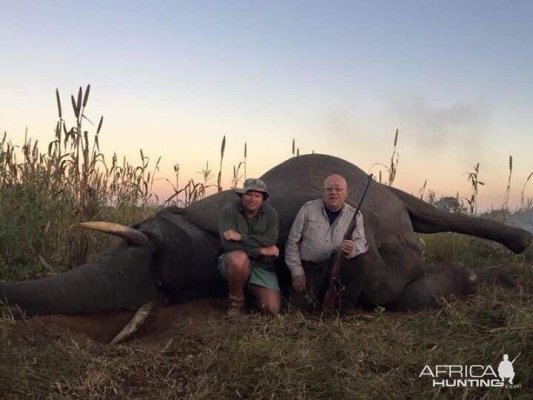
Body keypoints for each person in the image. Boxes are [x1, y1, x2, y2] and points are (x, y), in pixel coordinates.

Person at [285, 174, 368, 310]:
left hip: (338, 267)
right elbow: (291, 243)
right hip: (311, 268)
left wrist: (354, 247)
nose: (333, 193)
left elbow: (362, 243)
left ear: (346, 193)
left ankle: (345, 308)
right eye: (329, 189)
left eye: (338, 189)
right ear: (323, 192)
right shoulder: (307, 209)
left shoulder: (355, 215)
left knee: (362, 260)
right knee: (299, 307)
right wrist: (297, 272)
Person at [218, 178, 281, 317]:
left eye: (257, 196)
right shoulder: (229, 210)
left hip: (261, 265)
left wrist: (241, 237)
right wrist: (261, 250)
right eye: (249, 194)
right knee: (238, 258)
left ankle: (252, 295)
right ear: (242, 195)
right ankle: (236, 303)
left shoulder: (271, 214)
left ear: (263, 198)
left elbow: (270, 240)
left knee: (271, 308)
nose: (253, 199)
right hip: (233, 261)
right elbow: (228, 244)